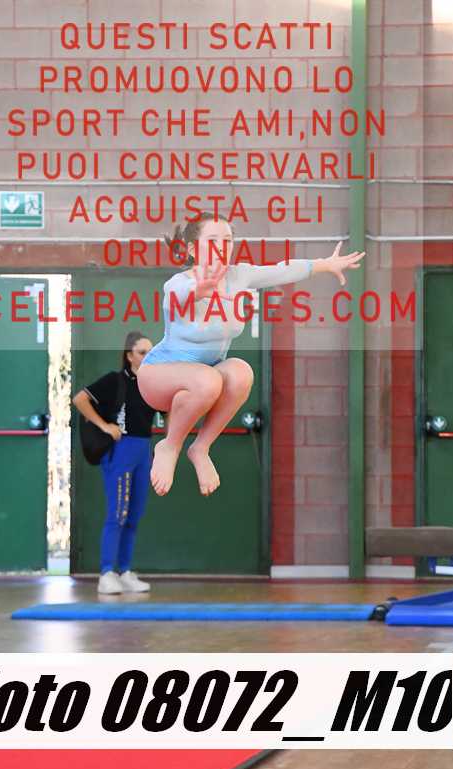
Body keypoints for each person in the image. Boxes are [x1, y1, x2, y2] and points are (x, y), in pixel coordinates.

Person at [137, 212, 365, 498]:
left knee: (241, 372)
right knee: (208, 380)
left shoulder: (239, 276)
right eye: (212, 240)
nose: (221, 247)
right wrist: (200, 289)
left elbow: (281, 270)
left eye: (227, 240)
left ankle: (201, 448)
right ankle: (169, 446)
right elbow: (178, 297)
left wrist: (325, 265)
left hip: (203, 380)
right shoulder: (179, 283)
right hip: (159, 376)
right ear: (193, 249)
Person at [73, 331, 159, 595]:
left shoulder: (153, 383)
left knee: (134, 514)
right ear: (129, 355)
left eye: (151, 352)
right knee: (118, 513)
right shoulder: (115, 380)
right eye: (142, 352)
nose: (147, 356)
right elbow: (80, 399)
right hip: (121, 450)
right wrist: (104, 425)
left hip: (143, 450)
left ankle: (125, 572)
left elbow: (168, 411)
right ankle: (107, 572)